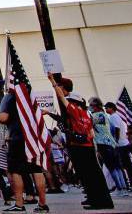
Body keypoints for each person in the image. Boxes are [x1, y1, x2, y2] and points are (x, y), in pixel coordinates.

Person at [45, 78, 107, 210]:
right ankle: (103, 200)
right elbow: (91, 134)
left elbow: (61, 97)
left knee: (87, 176)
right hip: (89, 146)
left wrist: (52, 80)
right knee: (95, 174)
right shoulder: (86, 114)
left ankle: (95, 201)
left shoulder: (74, 110)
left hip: (79, 147)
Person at [0, 88, 47, 214]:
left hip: (17, 137)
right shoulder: (30, 96)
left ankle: (19, 204)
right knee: (36, 169)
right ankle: (43, 204)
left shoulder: (9, 97)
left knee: (15, 170)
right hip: (34, 137)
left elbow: (3, 117)